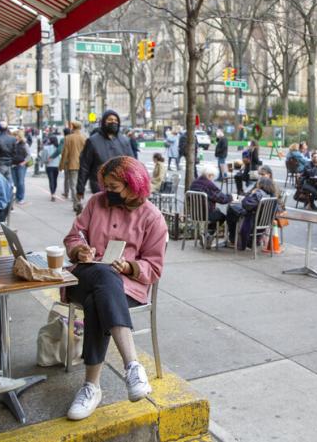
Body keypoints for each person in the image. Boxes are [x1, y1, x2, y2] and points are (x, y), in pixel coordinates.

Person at [62, 156, 166, 420]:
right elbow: (73, 235)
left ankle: (91, 386)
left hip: (125, 288)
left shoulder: (153, 219)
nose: (108, 192)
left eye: (114, 187)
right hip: (84, 277)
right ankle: (132, 366)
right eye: (106, 185)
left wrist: (130, 267)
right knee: (103, 276)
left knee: (100, 297)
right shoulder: (96, 202)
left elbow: (153, 268)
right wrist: (79, 249)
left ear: (134, 185)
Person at [77, 110, 134, 201]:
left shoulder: (124, 141)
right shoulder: (92, 141)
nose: (113, 122)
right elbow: (85, 166)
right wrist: (80, 189)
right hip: (100, 187)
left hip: (121, 187)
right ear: (103, 122)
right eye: (110, 119)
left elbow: (133, 165)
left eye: (116, 120)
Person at [226, 177, 279, 250]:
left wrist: (252, 193)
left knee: (231, 210)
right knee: (235, 210)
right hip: (265, 223)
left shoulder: (259, 193)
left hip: (253, 221)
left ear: (261, 185)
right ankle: (237, 238)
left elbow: (246, 205)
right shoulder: (273, 196)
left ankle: (233, 239)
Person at [188, 164, 233, 243]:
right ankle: (207, 234)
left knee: (217, 211)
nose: (213, 178)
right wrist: (230, 197)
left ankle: (206, 235)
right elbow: (222, 199)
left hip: (194, 213)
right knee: (222, 216)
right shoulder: (209, 185)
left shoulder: (194, 183)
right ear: (209, 175)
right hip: (206, 214)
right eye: (213, 176)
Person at [60, 120, 87, 213]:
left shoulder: (68, 138)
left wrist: (61, 165)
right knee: (81, 184)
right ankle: (78, 201)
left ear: (73, 127)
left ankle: (77, 203)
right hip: (83, 165)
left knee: (73, 185)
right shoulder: (84, 138)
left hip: (72, 164)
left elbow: (65, 153)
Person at [11, 130, 30, 205]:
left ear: (19, 136)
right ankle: (16, 197)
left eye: (15, 135)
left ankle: (21, 198)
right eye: (14, 135)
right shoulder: (12, 144)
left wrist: (24, 162)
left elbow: (28, 155)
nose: (14, 137)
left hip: (21, 165)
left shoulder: (24, 144)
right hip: (12, 165)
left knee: (21, 182)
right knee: (15, 182)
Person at [41, 134, 61, 202]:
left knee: (51, 180)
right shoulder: (58, 148)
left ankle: (52, 193)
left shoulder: (46, 148)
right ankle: (54, 192)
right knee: (55, 180)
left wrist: (44, 162)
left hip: (49, 166)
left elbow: (43, 158)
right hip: (57, 166)